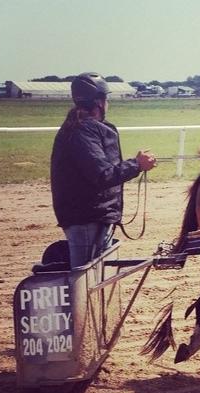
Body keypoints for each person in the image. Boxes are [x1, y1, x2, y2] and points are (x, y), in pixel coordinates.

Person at [50, 72, 157, 268]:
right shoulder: (82, 130)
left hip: (92, 215)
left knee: (95, 276)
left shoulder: (83, 127)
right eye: (106, 99)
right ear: (99, 102)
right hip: (86, 217)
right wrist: (137, 165)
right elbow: (102, 174)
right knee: (85, 277)